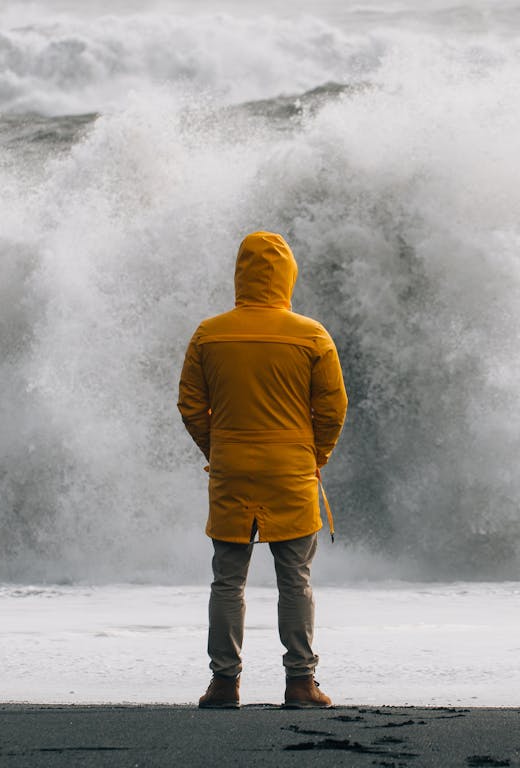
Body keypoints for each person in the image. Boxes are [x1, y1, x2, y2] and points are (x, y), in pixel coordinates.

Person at [177, 231, 348, 710]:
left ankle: (224, 684)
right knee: (295, 578)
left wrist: (218, 446)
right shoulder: (311, 335)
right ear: (288, 275)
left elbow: (190, 404)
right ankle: (300, 683)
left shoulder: (209, 334)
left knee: (227, 580)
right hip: (291, 471)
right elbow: (333, 409)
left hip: (231, 469)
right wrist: (318, 457)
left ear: (240, 274)